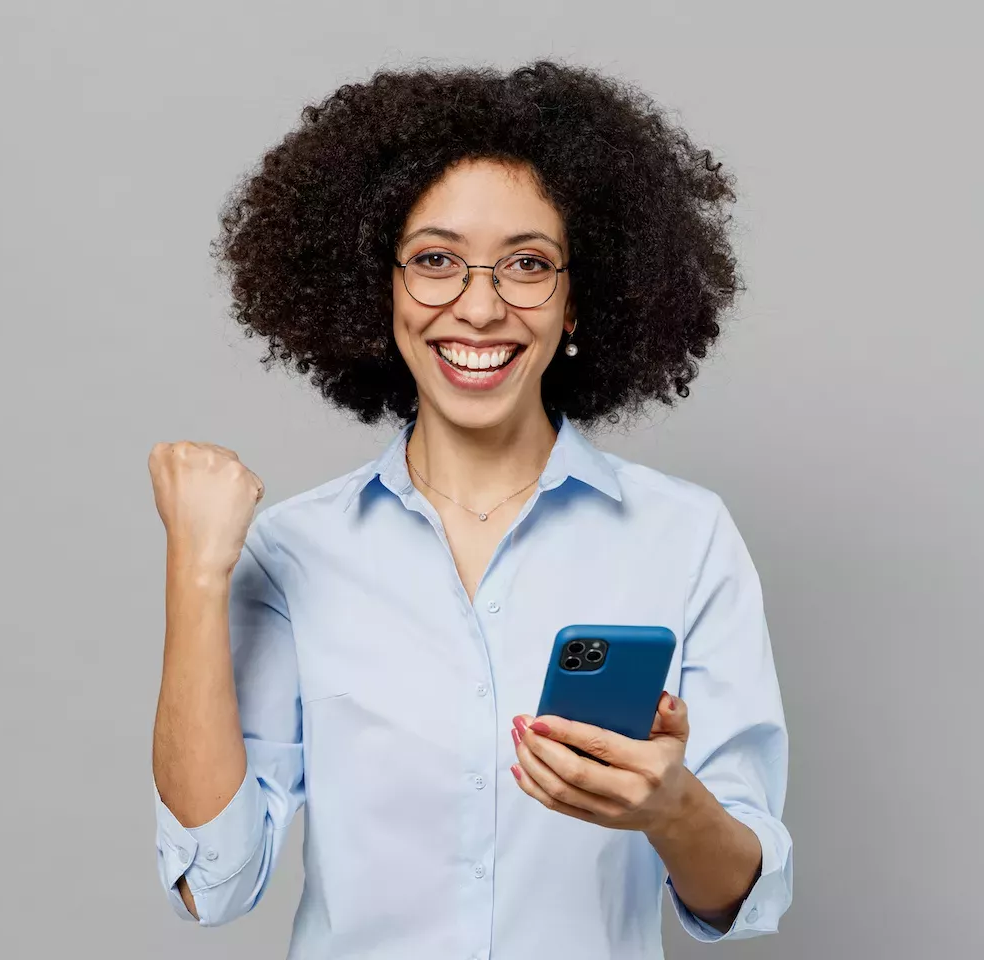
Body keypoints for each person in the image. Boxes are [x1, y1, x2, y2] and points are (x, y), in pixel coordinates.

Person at [148, 60, 793, 960]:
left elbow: (743, 898)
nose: (480, 307)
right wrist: (196, 571)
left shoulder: (686, 539)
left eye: (527, 264)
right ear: (382, 291)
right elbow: (210, 881)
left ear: (578, 302)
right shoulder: (293, 551)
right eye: (436, 261)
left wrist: (670, 807)